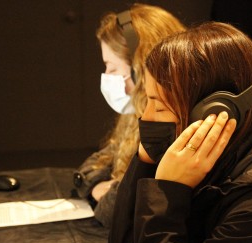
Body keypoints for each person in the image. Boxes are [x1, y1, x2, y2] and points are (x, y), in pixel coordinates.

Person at [107, 21, 252, 243]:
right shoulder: (219, 161)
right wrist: (145, 161)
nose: (145, 117)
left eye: (159, 105)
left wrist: (168, 191)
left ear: (214, 112)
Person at [73, 3, 186, 228]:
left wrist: (111, 194)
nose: (106, 76)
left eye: (112, 68)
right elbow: (94, 164)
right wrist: (98, 187)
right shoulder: (134, 114)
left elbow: (122, 211)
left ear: (140, 68)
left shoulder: (170, 124)